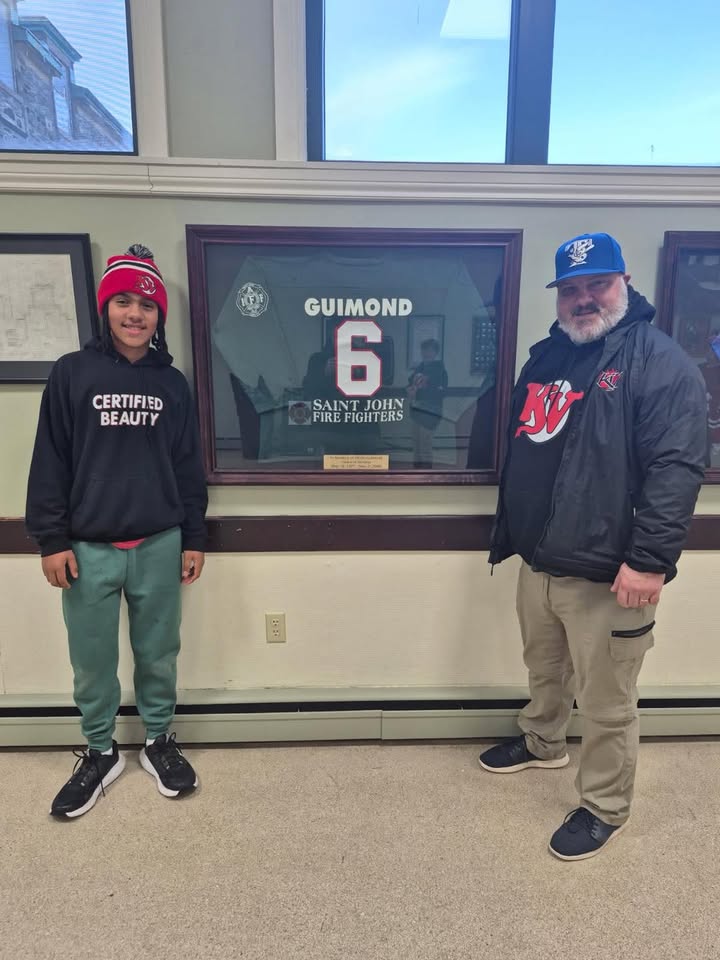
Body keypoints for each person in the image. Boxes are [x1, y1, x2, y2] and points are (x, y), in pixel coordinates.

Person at [481, 233, 707, 861]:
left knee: (608, 700)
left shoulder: (659, 362)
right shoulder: (549, 357)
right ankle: (542, 742)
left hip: (613, 571)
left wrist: (650, 559)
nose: (584, 299)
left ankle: (606, 804)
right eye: (571, 289)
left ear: (625, 283)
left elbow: (678, 466)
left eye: (597, 285)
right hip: (541, 558)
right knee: (544, 667)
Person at [26, 244, 208, 819]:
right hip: (87, 548)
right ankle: (100, 750)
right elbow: (50, 460)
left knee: (159, 652)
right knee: (92, 658)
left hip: (160, 541)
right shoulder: (72, 373)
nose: (136, 314)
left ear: (159, 317)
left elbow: (186, 466)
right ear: (105, 309)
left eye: (147, 305)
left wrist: (194, 535)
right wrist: (51, 539)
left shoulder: (172, 384)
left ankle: (157, 741)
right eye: (123, 302)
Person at [407, 338, 448, 468]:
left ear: (435, 352)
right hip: (415, 412)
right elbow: (409, 385)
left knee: (425, 447)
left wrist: (421, 391)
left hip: (430, 414)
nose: (426, 353)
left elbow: (440, 393)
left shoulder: (440, 371)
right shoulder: (419, 369)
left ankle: (426, 478)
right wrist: (409, 390)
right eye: (424, 350)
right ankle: (415, 478)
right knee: (416, 448)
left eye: (430, 350)